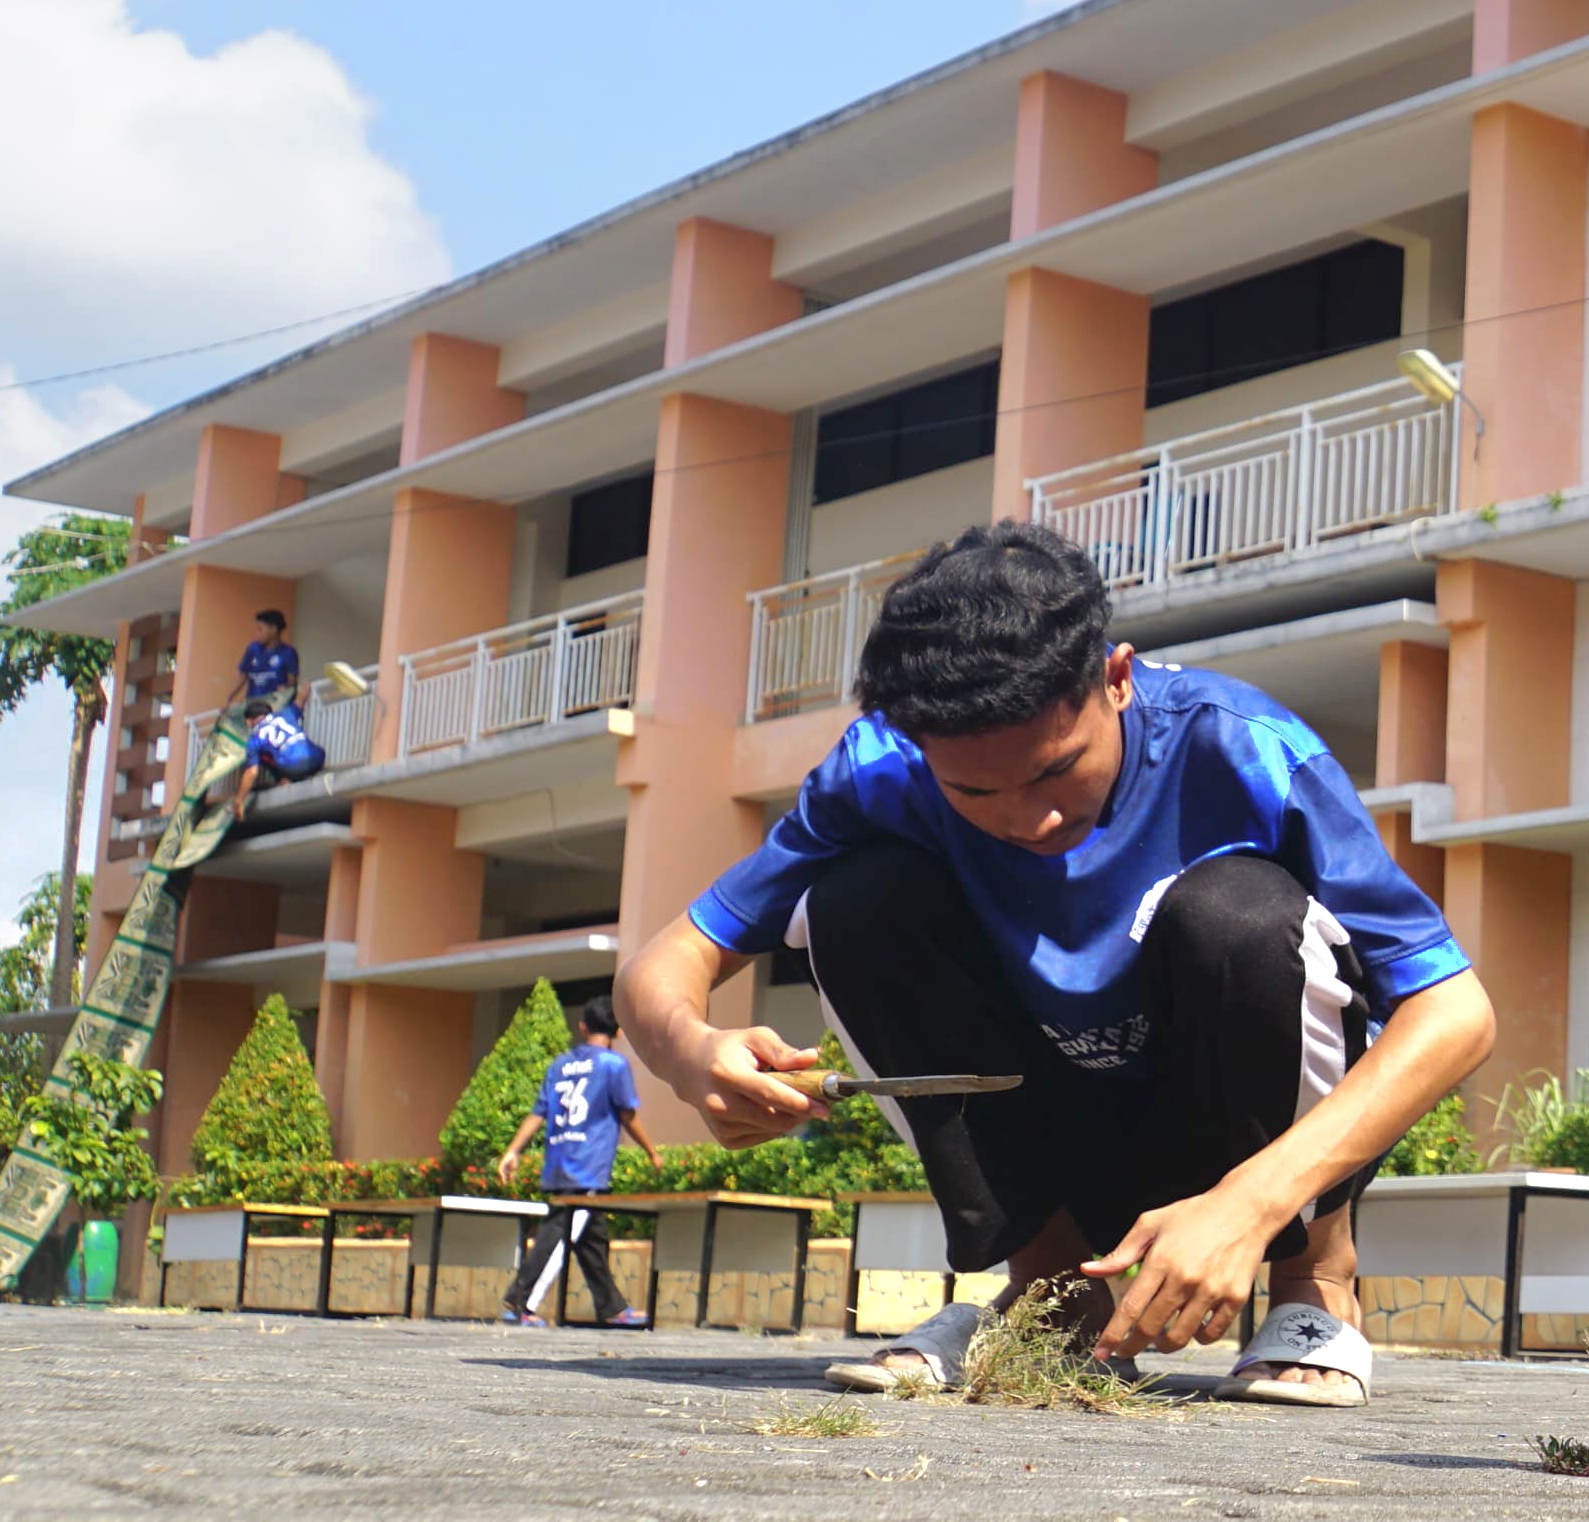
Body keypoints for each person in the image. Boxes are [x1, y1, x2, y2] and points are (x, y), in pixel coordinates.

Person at [613, 520, 1495, 1407]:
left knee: (1238, 916)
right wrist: (691, 1054)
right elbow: (662, 967)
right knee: (856, 903)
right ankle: (1056, 1300)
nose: (1028, 822)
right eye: (975, 794)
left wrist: (1254, 1200)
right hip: (1052, 1120)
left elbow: (1456, 1014)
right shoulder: (878, 771)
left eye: (1056, 773)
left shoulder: (1244, 749)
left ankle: (1317, 1284)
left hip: (1242, 1129)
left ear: (1116, 678)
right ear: (916, 742)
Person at [494, 1001, 655, 1328]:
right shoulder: (614, 1065)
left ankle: (612, 1308)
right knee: (559, 1236)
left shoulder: (560, 1064)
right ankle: (520, 1301)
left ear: (582, 1027)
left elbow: (539, 1112)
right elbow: (627, 1114)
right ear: (619, 1031)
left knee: (592, 1240)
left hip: (558, 1163)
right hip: (587, 1168)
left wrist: (513, 1150)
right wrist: (652, 1151)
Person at [236, 609, 300, 717]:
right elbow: (242, 675)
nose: (257, 633)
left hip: (275, 708)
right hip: (252, 707)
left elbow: (292, 683)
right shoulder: (253, 649)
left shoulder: (288, 653)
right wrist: (230, 698)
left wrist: (285, 689)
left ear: (273, 630)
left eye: (260, 629)